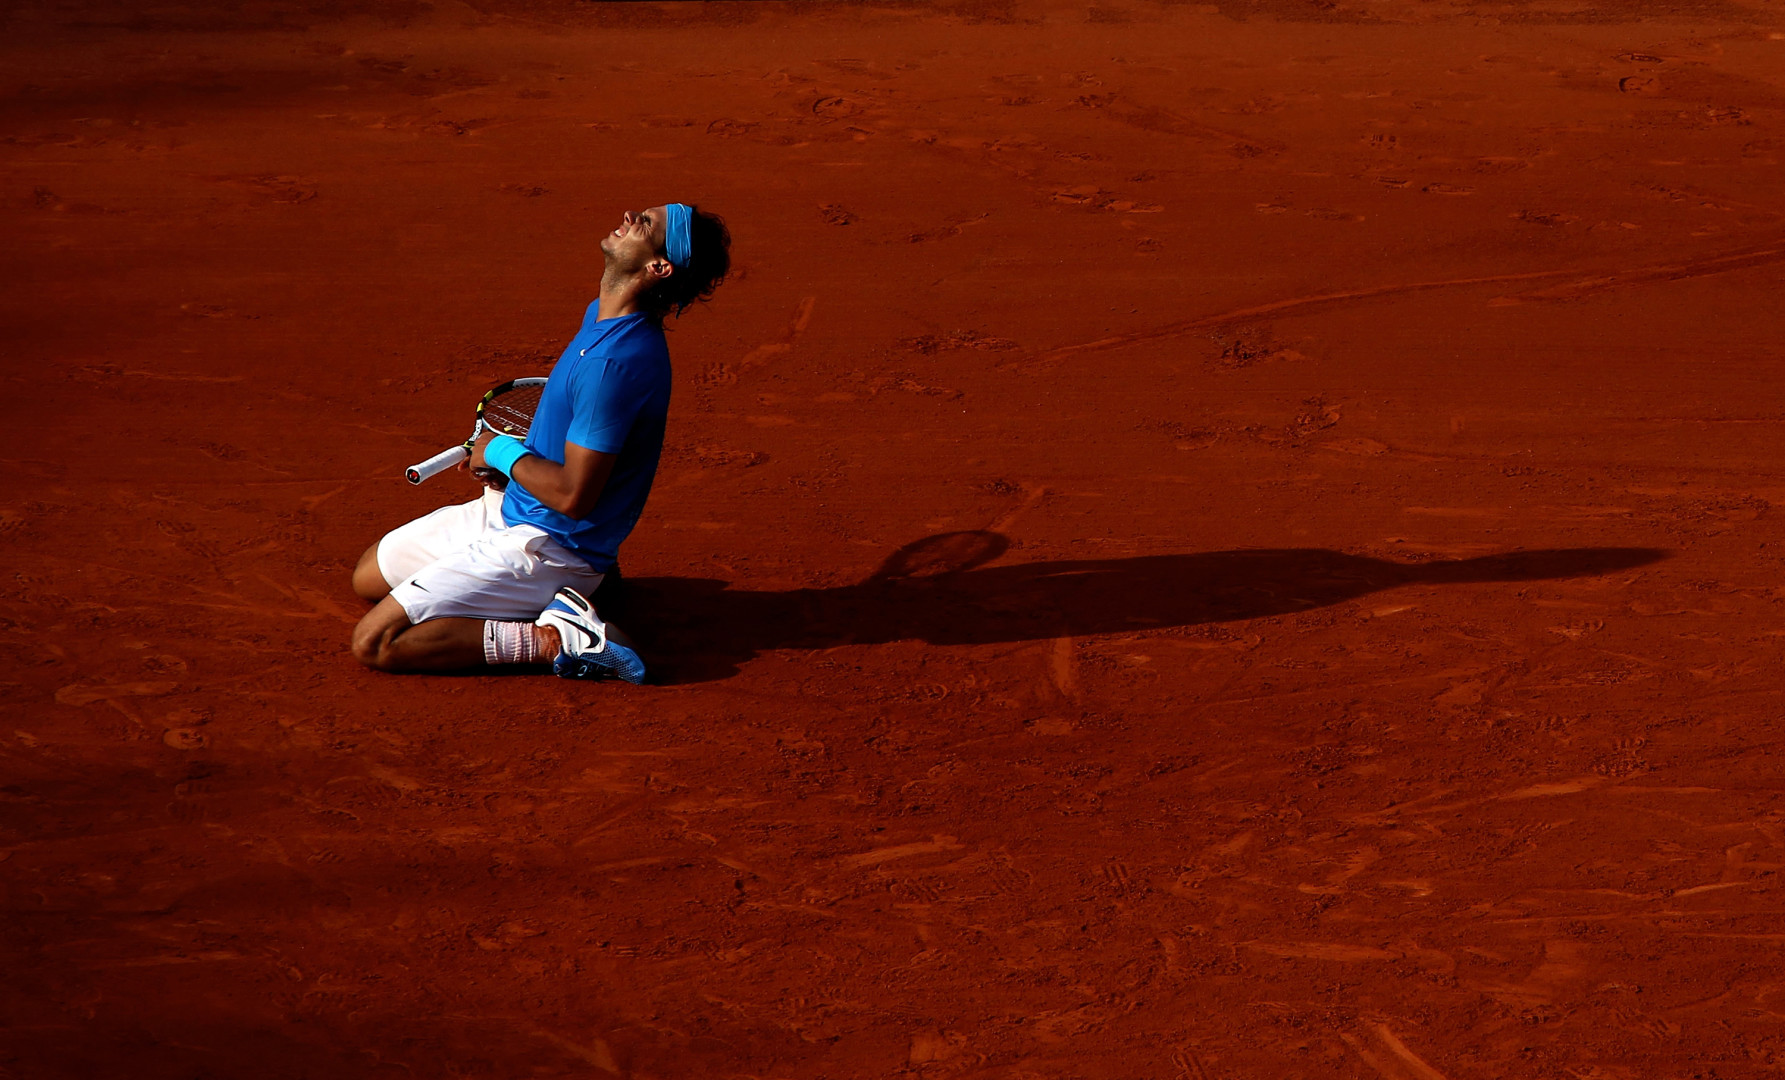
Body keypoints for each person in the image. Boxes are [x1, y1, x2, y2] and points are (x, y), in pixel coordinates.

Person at [349, 203, 731, 680]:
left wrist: (502, 452)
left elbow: (574, 495)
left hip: (549, 544)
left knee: (378, 642)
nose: (632, 215)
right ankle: (594, 589)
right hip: (517, 509)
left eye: (647, 224)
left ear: (658, 267)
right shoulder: (604, 317)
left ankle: (556, 637)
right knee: (369, 575)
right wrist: (510, 467)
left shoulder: (613, 364)